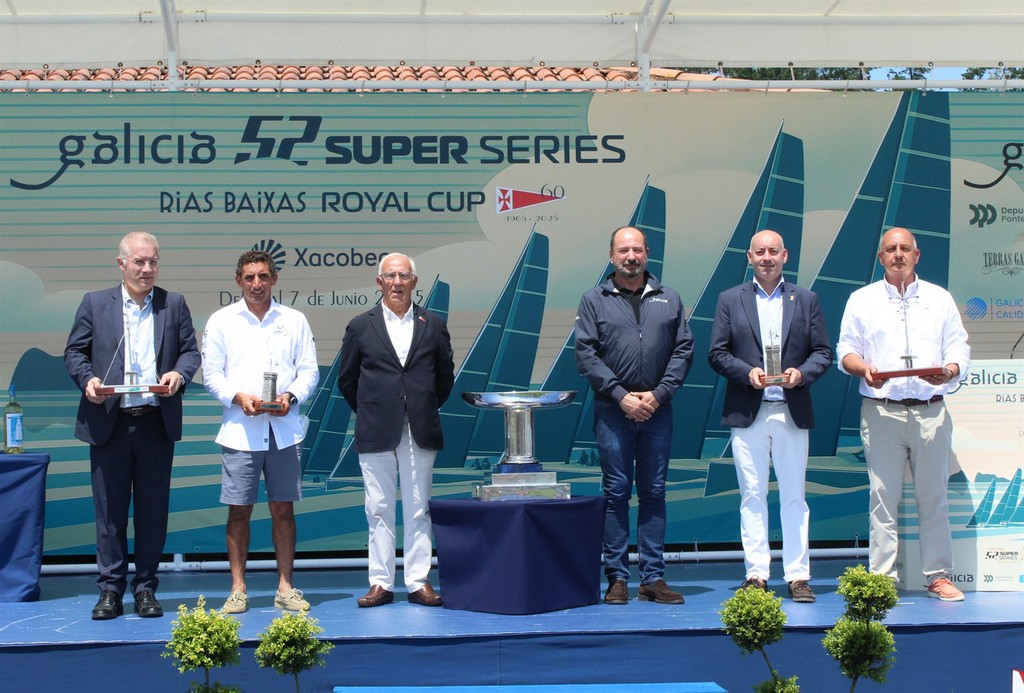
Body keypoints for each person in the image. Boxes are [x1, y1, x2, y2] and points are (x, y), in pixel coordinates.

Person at [65, 232, 200, 620]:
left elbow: (190, 352)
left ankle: (146, 588)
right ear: (121, 263)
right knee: (109, 513)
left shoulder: (173, 304)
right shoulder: (95, 303)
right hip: (110, 423)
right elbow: (74, 352)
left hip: (155, 423)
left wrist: (179, 374)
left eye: (153, 261)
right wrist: (88, 379)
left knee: (152, 512)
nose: (147, 269)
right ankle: (110, 589)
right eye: (139, 262)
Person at [837, 227, 970, 601]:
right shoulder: (862, 300)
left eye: (905, 249)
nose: (898, 254)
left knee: (934, 497)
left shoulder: (939, 299)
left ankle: (938, 576)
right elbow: (846, 350)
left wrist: (949, 371)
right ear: (880, 256)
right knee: (882, 498)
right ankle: (882, 580)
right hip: (882, 411)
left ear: (917, 255)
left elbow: (958, 348)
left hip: (931, 410)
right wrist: (862, 368)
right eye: (891, 249)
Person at [708, 230, 833, 602]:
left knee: (794, 496)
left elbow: (823, 352)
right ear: (749, 257)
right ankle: (757, 574)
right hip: (748, 412)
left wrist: (802, 374)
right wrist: (746, 372)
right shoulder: (730, 299)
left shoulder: (806, 299)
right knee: (752, 495)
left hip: (790, 412)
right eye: (760, 252)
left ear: (785, 255)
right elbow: (717, 353)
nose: (767, 258)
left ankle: (798, 576)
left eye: (773, 251)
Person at [575, 226, 694, 605]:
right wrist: (621, 396)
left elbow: (683, 351)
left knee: (654, 492)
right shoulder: (593, 300)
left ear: (647, 254)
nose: (631, 256)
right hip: (613, 410)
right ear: (611, 256)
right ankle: (617, 578)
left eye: (637, 250)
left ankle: (653, 577)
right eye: (624, 250)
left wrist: (658, 395)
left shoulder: (669, 299)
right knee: (616, 493)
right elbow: (587, 355)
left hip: (658, 410)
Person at [202, 250, 319, 613]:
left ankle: (285, 587)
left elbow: (309, 371)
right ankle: (238, 589)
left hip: (285, 431)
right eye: (250, 277)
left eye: (263, 276)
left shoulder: (294, 320)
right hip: (240, 432)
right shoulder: (221, 321)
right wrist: (237, 397)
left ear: (274, 279)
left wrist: (291, 396)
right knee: (239, 512)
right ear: (238, 280)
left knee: (283, 510)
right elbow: (211, 375)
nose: (257, 284)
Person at [337, 253, 455, 608]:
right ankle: (380, 582)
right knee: (378, 508)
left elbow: (444, 378)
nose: (397, 283)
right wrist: (375, 411)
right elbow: (347, 380)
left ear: (414, 282)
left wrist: (420, 407)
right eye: (390, 276)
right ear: (379, 282)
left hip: (420, 428)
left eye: (404, 276)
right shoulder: (361, 325)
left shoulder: (433, 324)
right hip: (376, 429)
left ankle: (418, 581)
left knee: (419, 508)